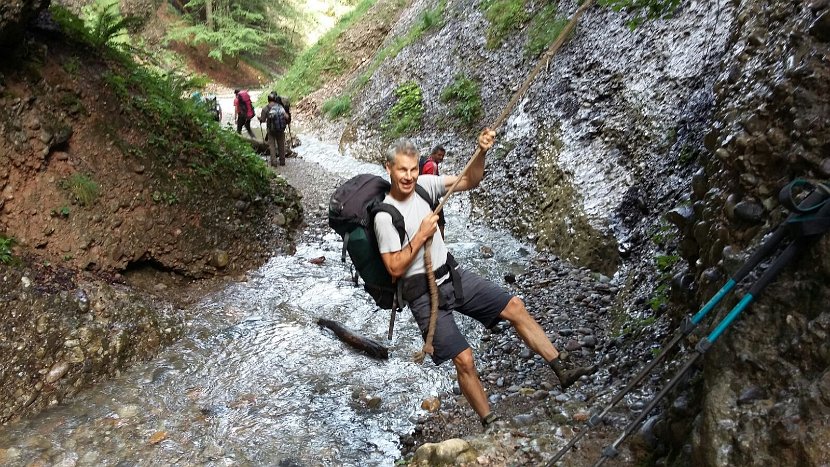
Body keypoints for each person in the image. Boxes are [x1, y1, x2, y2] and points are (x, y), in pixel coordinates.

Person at [374, 129, 596, 429]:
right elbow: (394, 268)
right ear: (389, 168)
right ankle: (489, 421)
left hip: (452, 276)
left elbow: (470, 180)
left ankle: (562, 369)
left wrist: (481, 152)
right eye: (403, 170)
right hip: (423, 295)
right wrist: (423, 234)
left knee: (515, 306)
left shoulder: (426, 185)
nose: (410, 176)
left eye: (413, 169)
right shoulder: (384, 216)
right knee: (464, 359)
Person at [421, 145, 447, 236]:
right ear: (433, 154)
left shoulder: (424, 160)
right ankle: (442, 247)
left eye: (443, 156)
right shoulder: (432, 165)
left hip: (421, 197)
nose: (441, 158)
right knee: (440, 223)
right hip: (430, 199)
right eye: (439, 155)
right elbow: (431, 184)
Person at [259, 92, 290, 166]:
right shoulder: (280, 107)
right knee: (281, 145)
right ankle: (282, 161)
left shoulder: (265, 108)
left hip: (271, 130)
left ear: (268, 100)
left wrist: (259, 119)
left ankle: (274, 162)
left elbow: (263, 120)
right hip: (280, 129)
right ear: (275, 99)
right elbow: (287, 117)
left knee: (272, 146)